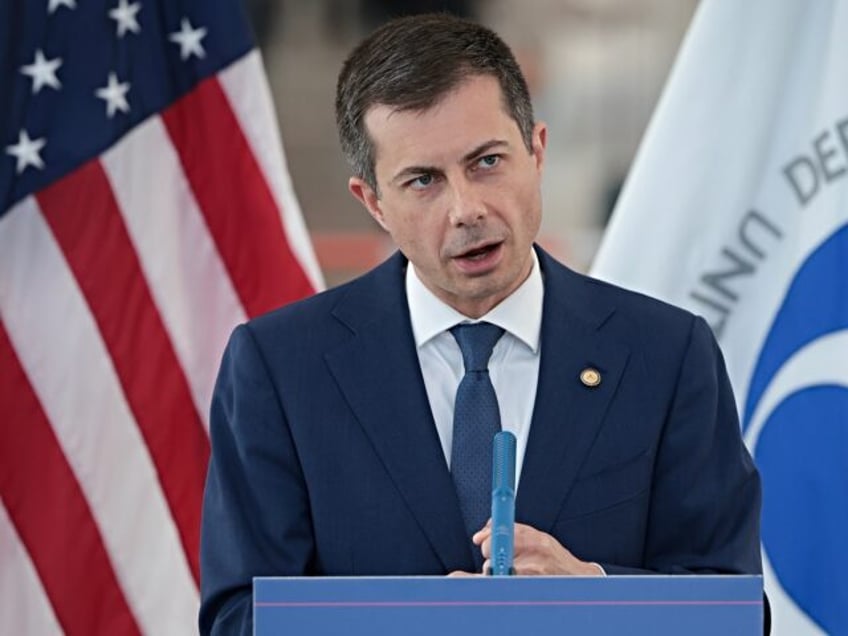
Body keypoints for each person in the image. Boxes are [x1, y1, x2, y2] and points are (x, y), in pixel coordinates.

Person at [199, 13, 763, 635]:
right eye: (423, 181)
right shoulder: (280, 367)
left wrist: (593, 591)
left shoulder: (667, 353)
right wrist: (422, 623)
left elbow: (735, 613)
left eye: (487, 161)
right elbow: (237, 619)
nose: (466, 209)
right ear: (373, 203)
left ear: (537, 150)